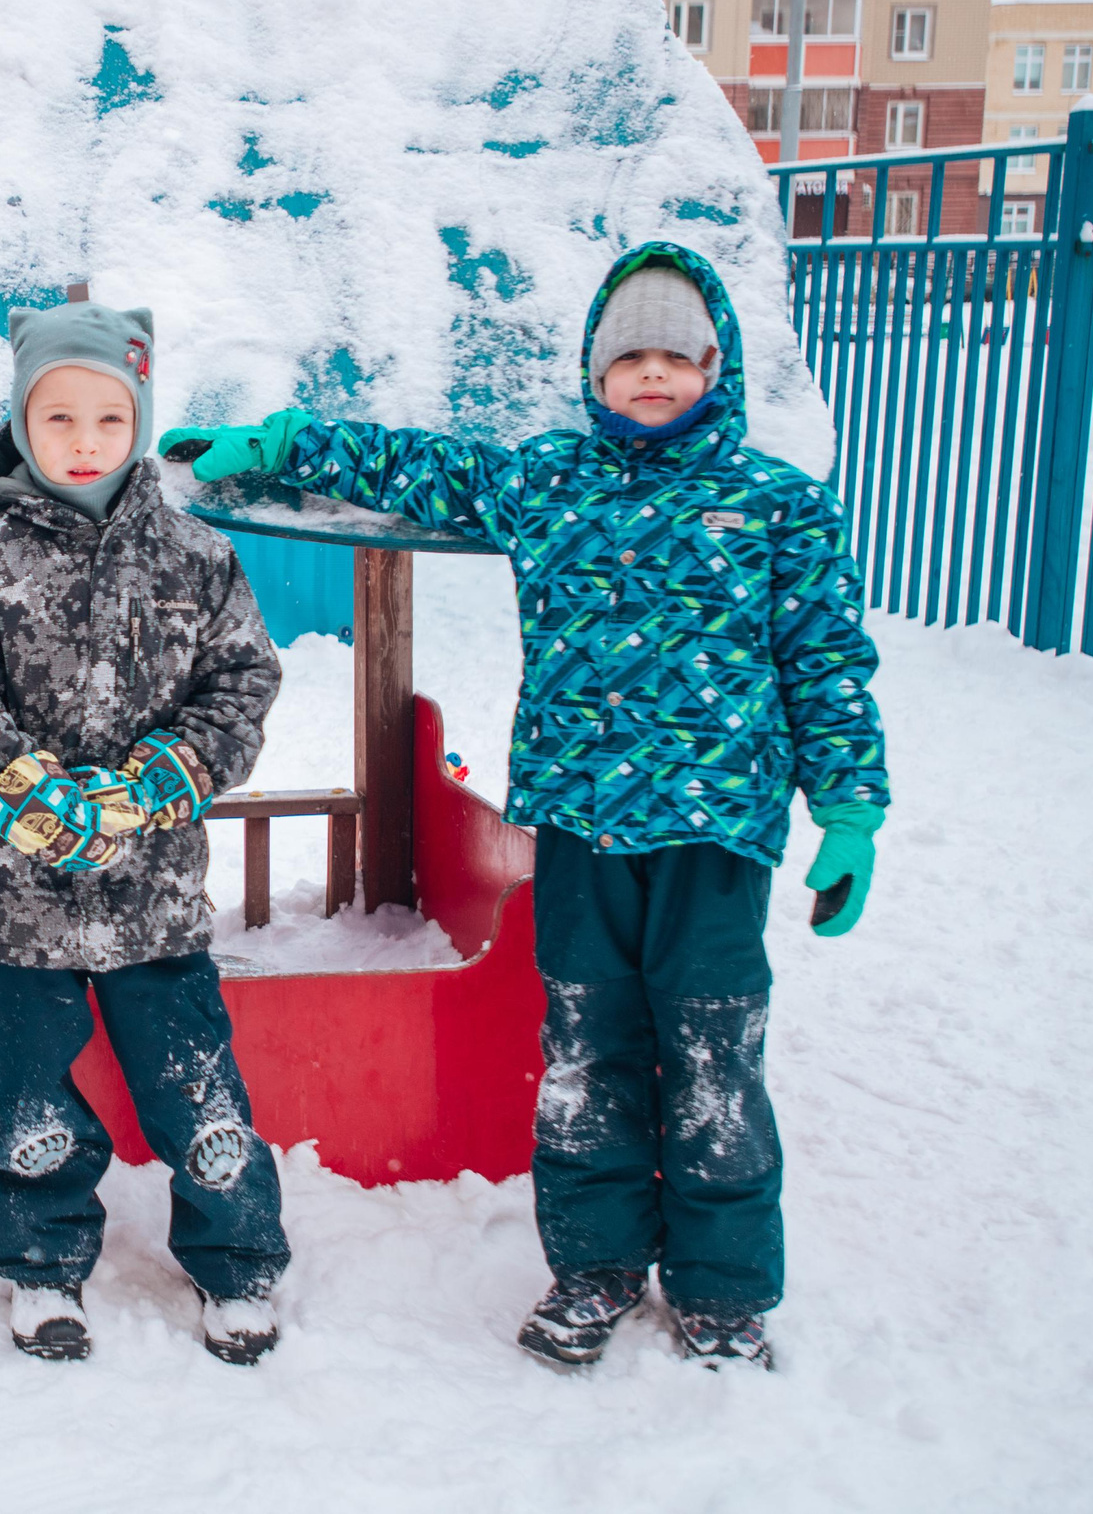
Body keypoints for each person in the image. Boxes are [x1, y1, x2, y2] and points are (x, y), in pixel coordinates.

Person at [162, 242, 890, 1370]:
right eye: (626, 356)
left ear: (717, 367)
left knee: (712, 1060)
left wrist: (847, 812)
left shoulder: (778, 506)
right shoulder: (550, 481)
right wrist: (284, 444)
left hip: (716, 838)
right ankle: (593, 1268)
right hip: (583, 824)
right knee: (586, 1055)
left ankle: (723, 1290)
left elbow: (826, 666)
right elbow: (420, 469)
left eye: (675, 356)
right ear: (594, 374)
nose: (651, 376)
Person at [0, 297, 291, 1365]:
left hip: (153, 889)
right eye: (59, 418)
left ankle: (237, 1257)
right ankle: (40, 1264)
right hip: (16, 897)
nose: (84, 443)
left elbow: (240, 683)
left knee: (195, 1086)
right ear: (23, 424)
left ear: (139, 421)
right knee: (27, 1096)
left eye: (108, 420)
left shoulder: (194, 556)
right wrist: (24, 788)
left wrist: (163, 777)